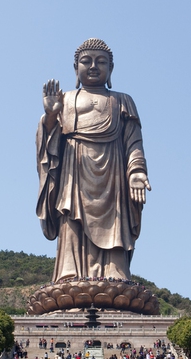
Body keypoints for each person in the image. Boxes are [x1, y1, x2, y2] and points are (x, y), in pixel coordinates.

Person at [36, 38, 151, 284]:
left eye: (101, 62)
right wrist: (51, 116)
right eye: (86, 61)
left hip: (113, 174)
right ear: (75, 67)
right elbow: (48, 142)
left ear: (111, 69)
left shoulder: (122, 100)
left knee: (115, 222)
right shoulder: (65, 99)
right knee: (71, 219)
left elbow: (134, 142)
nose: (93, 66)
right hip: (73, 171)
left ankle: (115, 274)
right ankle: (70, 273)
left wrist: (137, 172)